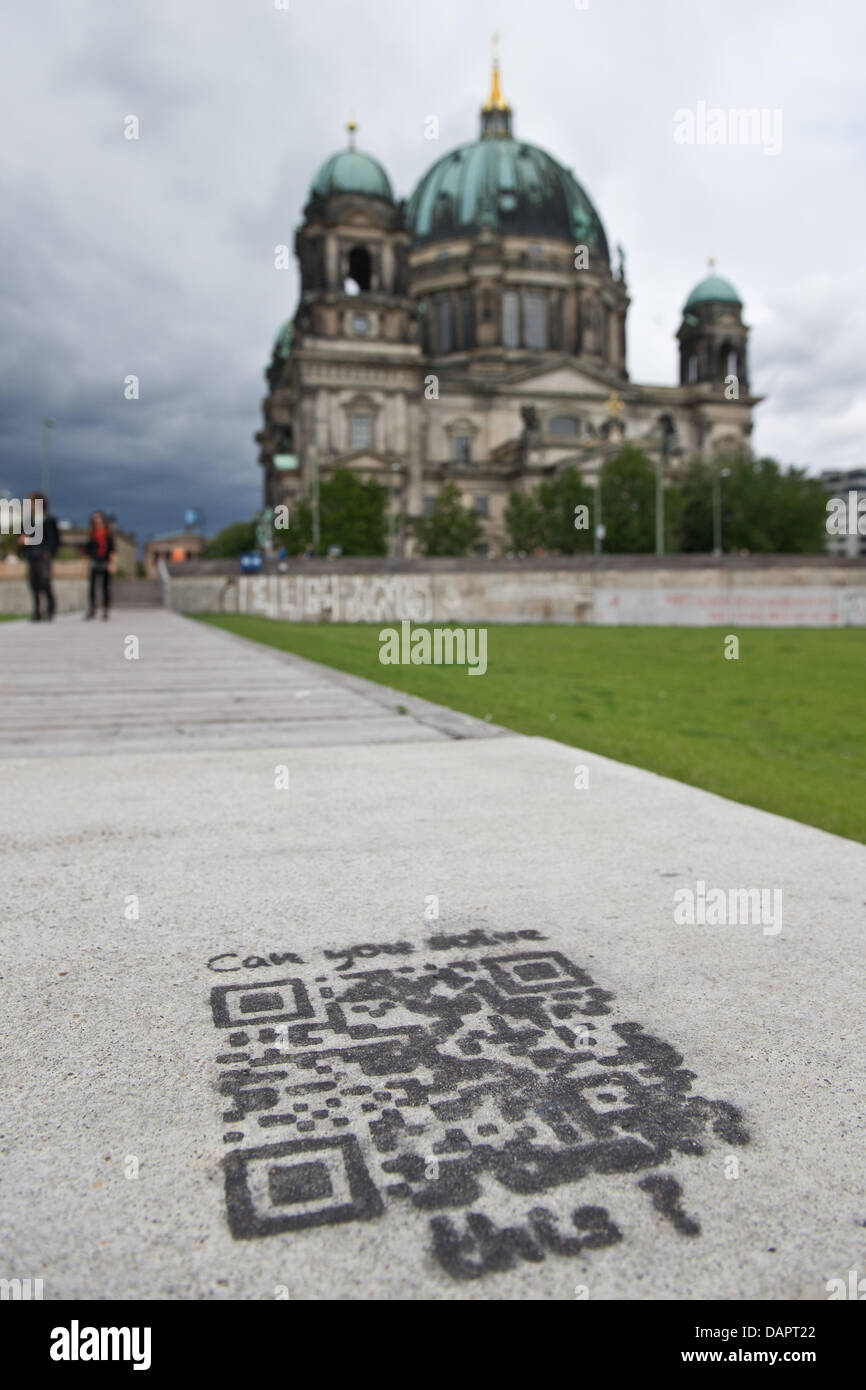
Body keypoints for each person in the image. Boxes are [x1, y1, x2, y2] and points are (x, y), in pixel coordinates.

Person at [17, 491, 60, 621]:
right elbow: (20, 538)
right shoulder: (27, 521)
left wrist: (49, 553)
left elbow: (55, 540)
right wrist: (22, 540)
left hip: (43, 556)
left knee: (45, 583)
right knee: (33, 583)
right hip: (32, 555)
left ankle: (50, 609)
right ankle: (37, 612)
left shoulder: (49, 520)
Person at [82, 511, 116, 620]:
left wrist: (112, 564)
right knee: (92, 587)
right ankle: (92, 609)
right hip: (94, 562)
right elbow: (87, 552)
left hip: (105, 562)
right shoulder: (92, 536)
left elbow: (112, 551)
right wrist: (85, 566)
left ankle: (105, 609)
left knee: (105, 587)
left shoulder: (108, 535)